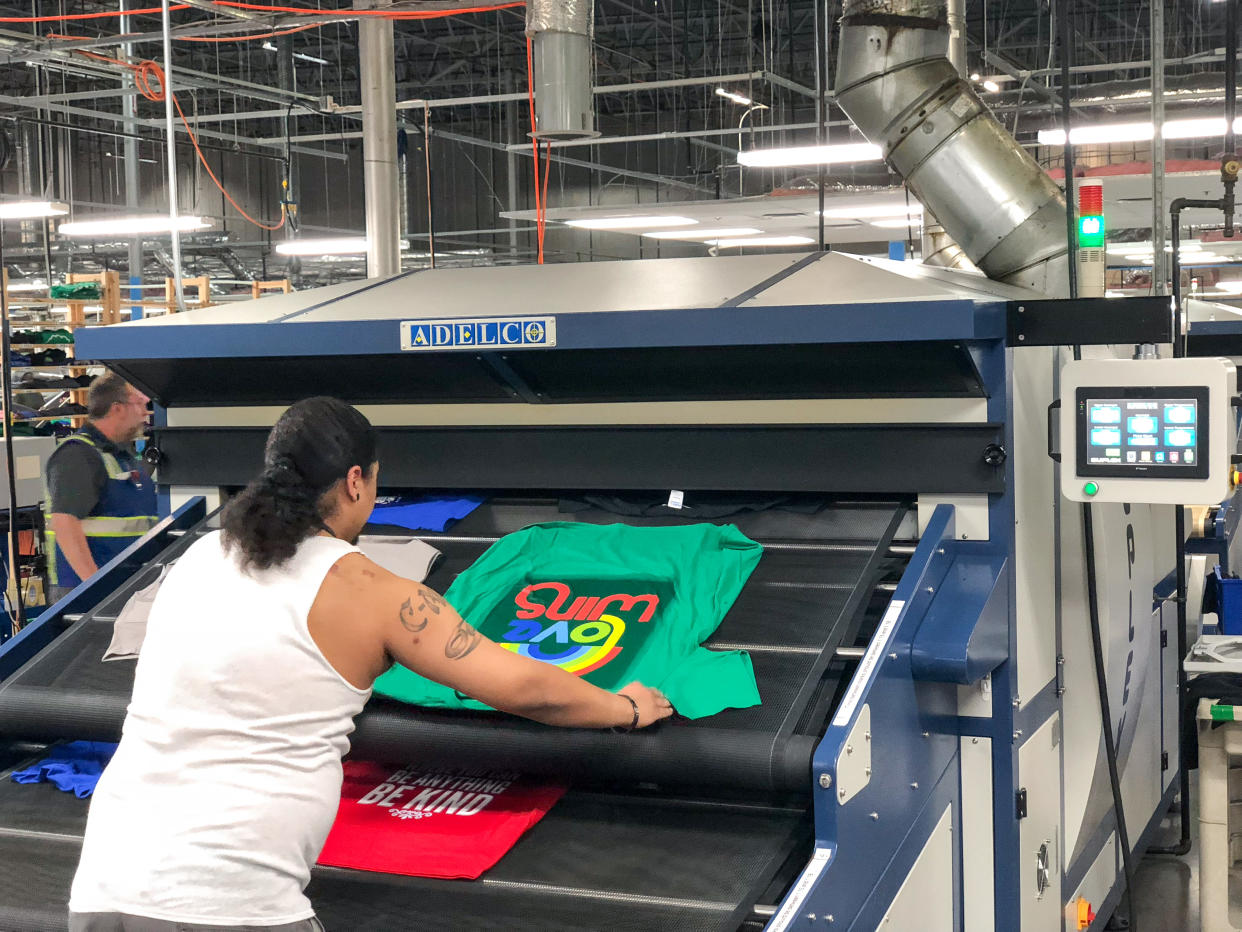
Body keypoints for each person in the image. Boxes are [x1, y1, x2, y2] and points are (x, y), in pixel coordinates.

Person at [68, 396, 673, 931]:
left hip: (106, 882)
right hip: (230, 904)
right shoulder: (370, 591)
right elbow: (524, 687)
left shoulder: (200, 556)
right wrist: (625, 707)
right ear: (355, 481)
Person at [43, 372, 157, 600]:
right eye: (139, 403)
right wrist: (94, 588)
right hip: (89, 595)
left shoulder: (121, 456)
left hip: (125, 589)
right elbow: (65, 523)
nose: (146, 412)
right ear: (117, 408)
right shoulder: (78, 455)